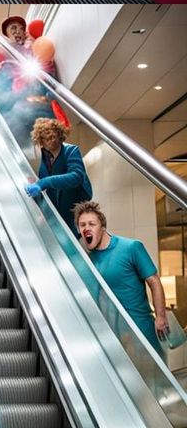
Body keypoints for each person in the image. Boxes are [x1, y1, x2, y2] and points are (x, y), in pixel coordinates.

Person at [75, 202, 171, 357]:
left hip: (141, 329)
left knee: (151, 373)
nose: (86, 228)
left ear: (102, 227)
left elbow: (154, 282)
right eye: (82, 225)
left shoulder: (131, 247)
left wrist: (161, 317)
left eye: (92, 224)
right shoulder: (88, 262)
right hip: (111, 337)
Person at [24, 116, 92, 235]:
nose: (52, 140)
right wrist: (43, 213)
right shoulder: (44, 159)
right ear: (41, 142)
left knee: (72, 236)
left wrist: (42, 183)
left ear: (60, 135)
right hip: (56, 210)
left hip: (74, 205)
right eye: (47, 139)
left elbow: (76, 176)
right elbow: (49, 191)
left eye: (54, 136)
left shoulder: (71, 150)